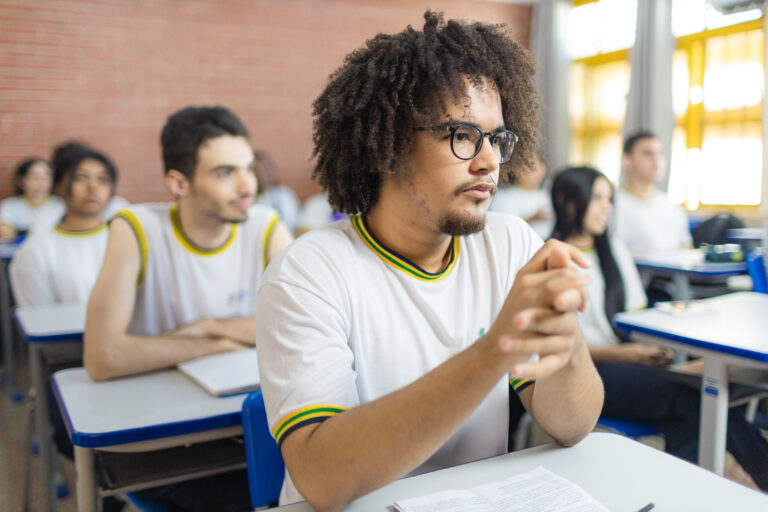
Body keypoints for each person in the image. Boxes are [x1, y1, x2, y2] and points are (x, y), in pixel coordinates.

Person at [255, 12, 604, 510]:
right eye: (461, 135)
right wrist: (494, 352)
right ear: (389, 149)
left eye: (497, 139)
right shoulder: (307, 273)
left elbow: (572, 426)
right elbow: (322, 477)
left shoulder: (510, 244)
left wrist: (564, 344)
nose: (489, 162)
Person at [83, 105, 293, 511]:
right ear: (179, 183)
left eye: (248, 168)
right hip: (164, 441)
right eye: (225, 173)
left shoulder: (265, 224)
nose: (247, 186)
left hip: (248, 431)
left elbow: (305, 325)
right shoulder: (136, 228)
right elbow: (103, 356)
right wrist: (214, 344)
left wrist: (208, 326)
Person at [550, 165, 768, 491]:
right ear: (568, 201)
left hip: (625, 361)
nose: (606, 207)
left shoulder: (615, 251)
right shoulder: (551, 258)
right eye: (596, 198)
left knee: (686, 419)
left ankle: (679, 492)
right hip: (583, 372)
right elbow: (560, 348)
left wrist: (647, 346)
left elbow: (638, 314)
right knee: (693, 399)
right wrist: (628, 354)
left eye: (609, 199)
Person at [10, 142, 116, 306]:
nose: (93, 187)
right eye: (80, 178)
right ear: (58, 185)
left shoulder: (124, 242)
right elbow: (42, 322)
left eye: (102, 179)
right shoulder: (35, 251)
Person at [613, 131, 692, 254]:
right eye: (647, 153)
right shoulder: (612, 205)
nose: (656, 159)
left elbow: (686, 248)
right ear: (627, 160)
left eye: (660, 153)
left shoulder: (672, 208)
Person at [490, 152, 553, 239]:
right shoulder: (505, 197)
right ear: (515, 170)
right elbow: (502, 227)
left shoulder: (547, 195)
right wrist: (532, 218)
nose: (532, 170)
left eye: (535, 166)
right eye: (526, 166)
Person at [0, 158, 65, 238]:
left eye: (45, 178)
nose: (40, 183)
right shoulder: (9, 206)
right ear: (21, 181)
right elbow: (5, 235)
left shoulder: (61, 206)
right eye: (35, 177)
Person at [253, 150, 301, 233]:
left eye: (269, 167)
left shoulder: (283, 195)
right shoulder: (249, 199)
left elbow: (291, 227)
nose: (267, 172)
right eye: (260, 169)